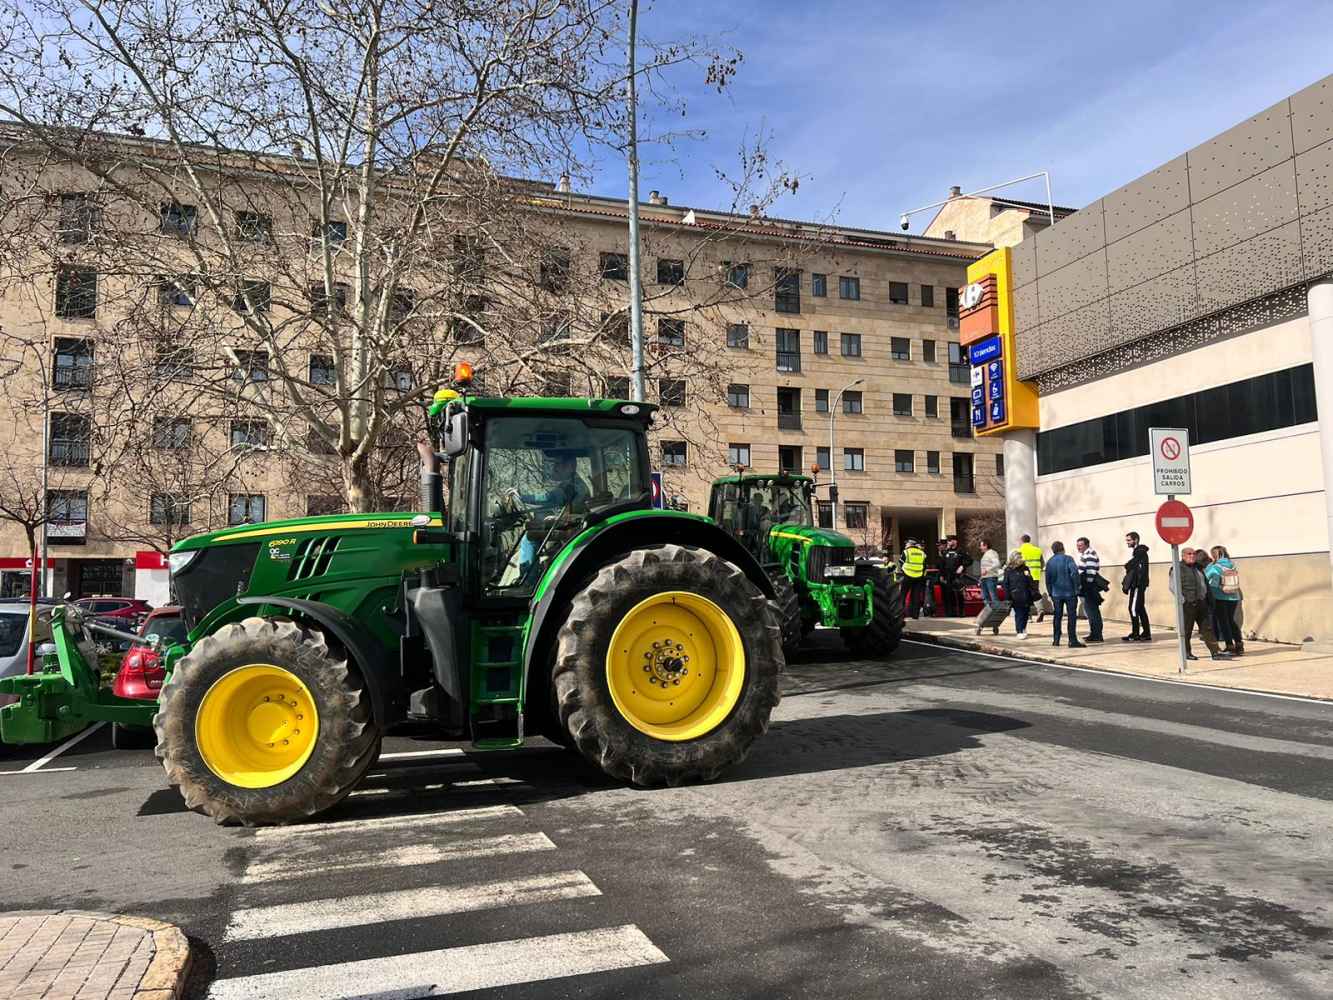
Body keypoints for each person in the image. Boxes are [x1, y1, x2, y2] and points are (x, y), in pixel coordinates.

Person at [1170, 547, 1227, 660]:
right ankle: (1186, 653)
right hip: (1188, 604)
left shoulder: (1198, 567)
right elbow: (1173, 586)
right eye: (1189, 554)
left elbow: (1204, 584)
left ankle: (1215, 652)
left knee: (1207, 629)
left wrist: (1208, 599)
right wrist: (1183, 600)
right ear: (1183, 556)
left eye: (1193, 554)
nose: (1192, 556)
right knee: (1186, 630)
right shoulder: (1177, 568)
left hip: (1201, 603)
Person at [1206, 545, 1244, 656]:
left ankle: (1229, 645)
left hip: (1220, 597)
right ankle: (1239, 643)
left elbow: (1207, 578)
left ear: (1214, 555)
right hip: (1234, 596)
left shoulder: (1215, 567)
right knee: (1231, 621)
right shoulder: (1231, 565)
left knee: (1224, 622)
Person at [1045, 541, 1084, 648]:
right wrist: (1077, 587)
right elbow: (1074, 573)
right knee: (1071, 616)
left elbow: (1047, 580)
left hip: (1056, 593)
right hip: (1070, 592)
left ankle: (1056, 639)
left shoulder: (1050, 562)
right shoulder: (1068, 559)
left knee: (1057, 616)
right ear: (1063, 548)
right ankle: (1072, 640)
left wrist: (1050, 592)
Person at [1122, 531, 1151, 642]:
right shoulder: (1139, 552)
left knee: (1133, 608)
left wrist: (1127, 566)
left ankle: (1136, 634)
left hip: (1138, 585)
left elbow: (1133, 566)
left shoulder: (1140, 552)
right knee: (1140, 608)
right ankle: (1146, 633)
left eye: (1129, 540)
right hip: (1139, 584)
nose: (1127, 542)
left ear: (1136, 540)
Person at [1075, 537, 1104, 642]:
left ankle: (1097, 635)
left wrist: (1085, 586)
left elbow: (1091, 573)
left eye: (1080, 545)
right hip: (1088, 587)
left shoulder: (1089, 555)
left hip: (1089, 587)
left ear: (1086, 545)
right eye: (1077, 545)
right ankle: (1094, 634)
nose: (1078, 547)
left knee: (1092, 611)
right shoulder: (1086, 554)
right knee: (1090, 611)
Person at [1003, 551, 1035, 640]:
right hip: (1015, 595)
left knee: (1026, 613)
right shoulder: (1008, 570)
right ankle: (1019, 630)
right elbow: (1006, 584)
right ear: (1014, 559)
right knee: (1019, 613)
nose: (1021, 559)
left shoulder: (1025, 568)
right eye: (1019, 558)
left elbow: (1030, 580)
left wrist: (1033, 590)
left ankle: (1023, 628)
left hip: (1026, 594)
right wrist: (1007, 597)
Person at [1019, 533, 1047, 623]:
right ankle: (1040, 610)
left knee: (1025, 595)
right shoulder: (1037, 550)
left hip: (1024, 576)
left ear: (1022, 541)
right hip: (1035, 575)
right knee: (1035, 593)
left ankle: (1028, 617)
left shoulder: (1019, 550)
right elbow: (1042, 564)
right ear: (1029, 540)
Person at [899, 538, 927, 619]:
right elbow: (924, 566)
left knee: (903, 596)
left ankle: (901, 614)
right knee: (916, 597)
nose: (905, 545)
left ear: (910, 544)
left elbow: (901, 563)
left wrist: (904, 571)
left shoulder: (906, 552)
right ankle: (915, 615)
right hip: (918, 577)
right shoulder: (922, 553)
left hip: (907, 576)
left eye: (906, 543)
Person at [940, 535, 966, 616]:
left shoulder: (960, 551)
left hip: (957, 577)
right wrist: (942, 575)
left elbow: (969, 560)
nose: (949, 542)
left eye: (950, 540)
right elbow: (942, 565)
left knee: (959, 595)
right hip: (948, 577)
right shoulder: (946, 552)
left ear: (955, 541)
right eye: (948, 541)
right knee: (950, 595)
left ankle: (961, 612)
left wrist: (962, 566)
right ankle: (952, 613)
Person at [977, 539, 1002, 610]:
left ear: (986, 546)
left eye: (981, 546)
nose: (980, 547)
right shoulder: (986, 554)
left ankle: (997, 613)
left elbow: (997, 564)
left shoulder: (992, 553)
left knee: (993, 596)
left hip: (990, 578)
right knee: (985, 597)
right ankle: (989, 613)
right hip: (985, 578)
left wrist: (987, 570)